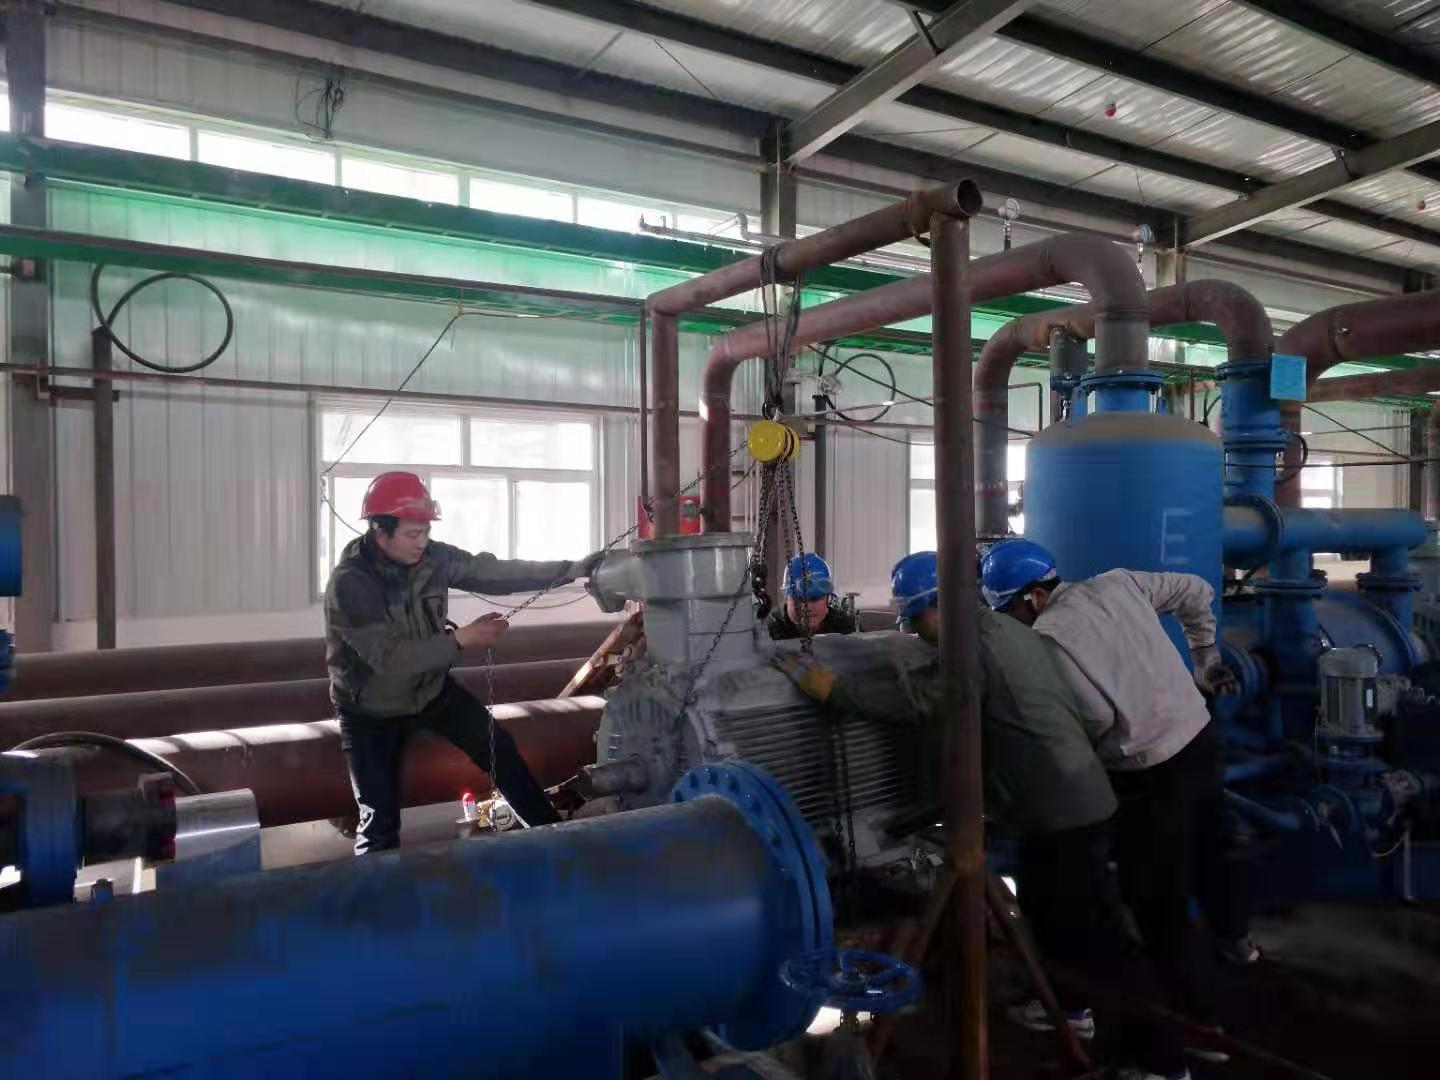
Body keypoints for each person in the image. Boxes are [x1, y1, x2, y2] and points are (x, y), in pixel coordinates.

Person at [782, 551, 1187, 1079]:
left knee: (1100, 939)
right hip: (1060, 801)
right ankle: (1069, 1009)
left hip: (1061, 807)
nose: (914, 633)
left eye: (915, 619)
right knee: (1049, 916)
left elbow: (921, 704)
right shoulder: (1004, 629)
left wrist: (835, 690)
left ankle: (1163, 1062)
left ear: (938, 605)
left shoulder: (971, 648)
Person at [981, 539, 1258, 1014]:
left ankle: (1198, 1017)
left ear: (1034, 597)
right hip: (1201, 739)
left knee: (1154, 894)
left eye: (1010, 611)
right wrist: (1205, 658)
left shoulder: (1049, 639)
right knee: (1214, 848)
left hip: (1149, 773)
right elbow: (1196, 590)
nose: (1012, 624)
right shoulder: (1118, 583)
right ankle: (1236, 943)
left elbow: (1095, 718)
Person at [325, 470, 604, 854]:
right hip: (369, 710)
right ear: (379, 531)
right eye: (412, 534)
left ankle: (554, 842)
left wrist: (568, 570)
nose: (422, 542)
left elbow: (491, 572)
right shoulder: (350, 584)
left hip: (430, 692)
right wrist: (462, 639)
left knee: (501, 752)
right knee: (379, 821)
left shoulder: (433, 558)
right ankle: (378, 887)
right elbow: (390, 658)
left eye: (426, 531)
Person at [766, 553, 858, 641]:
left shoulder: (843, 627)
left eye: (815, 599)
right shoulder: (771, 629)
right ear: (786, 600)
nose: (808, 607)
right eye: (801, 599)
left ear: (827, 600)